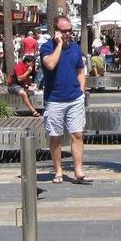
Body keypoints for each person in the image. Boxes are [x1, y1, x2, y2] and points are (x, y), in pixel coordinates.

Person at [41, 15, 90, 185]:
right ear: (55, 31)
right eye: (64, 31)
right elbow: (50, 65)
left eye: (70, 31)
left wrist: (81, 91)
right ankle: (58, 171)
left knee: (77, 134)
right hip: (54, 100)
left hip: (74, 98)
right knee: (55, 137)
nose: (68, 34)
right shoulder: (46, 48)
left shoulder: (76, 48)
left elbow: (80, 71)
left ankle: (78, 170)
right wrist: (60, 45)